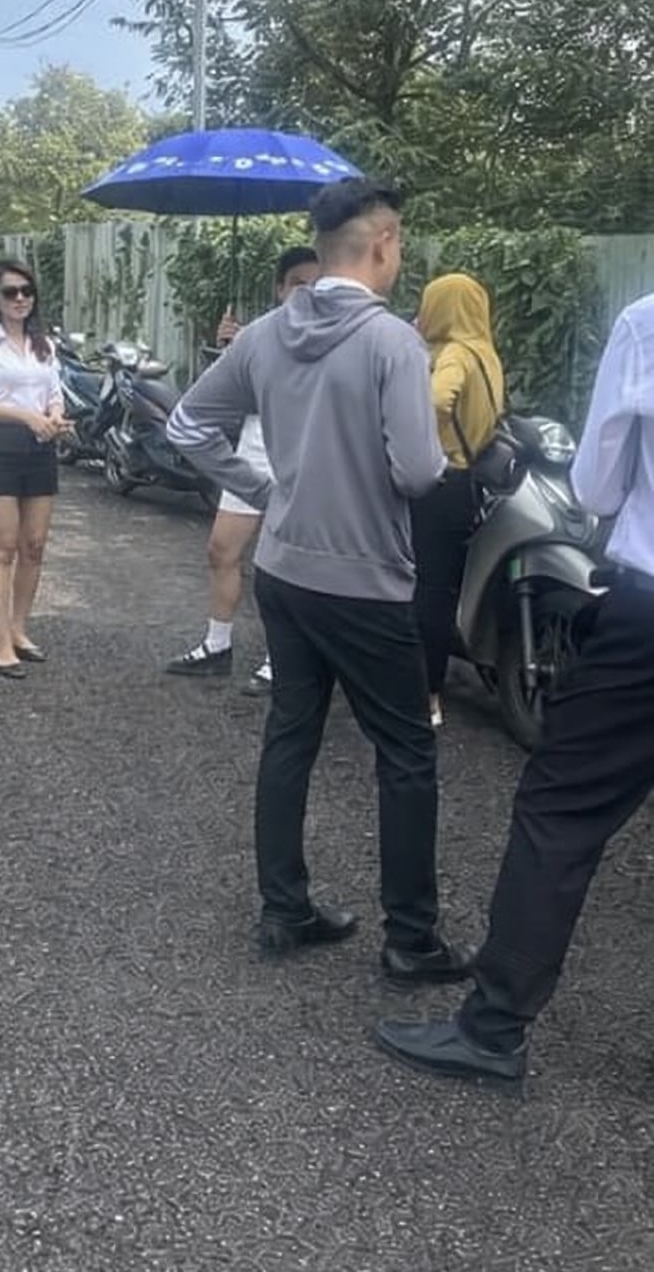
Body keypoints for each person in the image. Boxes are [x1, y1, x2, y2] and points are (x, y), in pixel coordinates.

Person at [167, 179, 470, 982]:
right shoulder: (393, 343)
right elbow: (417, 471)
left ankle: (284, 907)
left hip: (285, 569)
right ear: (383, 241)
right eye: (400, 242)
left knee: (291, 736)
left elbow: (187, 424)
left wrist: (266, 490)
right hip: (365, 578)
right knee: (405, 753)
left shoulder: (265, 334)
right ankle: (411, 939)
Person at [376, 291, 654, 1087]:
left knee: (561, 811)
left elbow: (595, 489)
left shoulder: (644, 324)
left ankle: (494, 1027)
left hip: (647, 616)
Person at [166, 246, 322, 695]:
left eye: (316, 285)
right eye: (298, 284)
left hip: (301, 455)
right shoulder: (258, 335)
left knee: (284, 564)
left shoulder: (331, 338)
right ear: (280, 288)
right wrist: (229, 349)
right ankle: (217, 645)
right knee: (221, 549)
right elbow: (216, 398)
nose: (307, 293)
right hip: (253, 447)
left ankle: (282, 657)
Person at [0, 260, 69, 679]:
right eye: (11, 292)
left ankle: (20, 628)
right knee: (4, 547)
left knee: (35, 545)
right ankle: (1, 640)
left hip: (40, 449)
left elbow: (54, 392)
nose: (20, 299)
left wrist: (55, 415)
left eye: (27, 291)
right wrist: (27, 417)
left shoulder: (45, 345)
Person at [410, 273, 505, 728]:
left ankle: (426, 692)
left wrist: (416, 439)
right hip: (467, 483)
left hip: (440, 480)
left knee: (426, 592)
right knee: (442, 588)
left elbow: (435, 401)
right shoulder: (486, 352)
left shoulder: (454, 355)